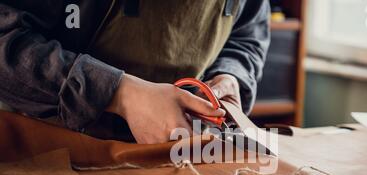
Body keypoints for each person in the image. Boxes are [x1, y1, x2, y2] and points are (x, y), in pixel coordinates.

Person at [0, 0, 270, 144]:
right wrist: (122, 95)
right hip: (52, 155)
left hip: (177, 155)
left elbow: (247, 36)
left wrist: (231, 75)